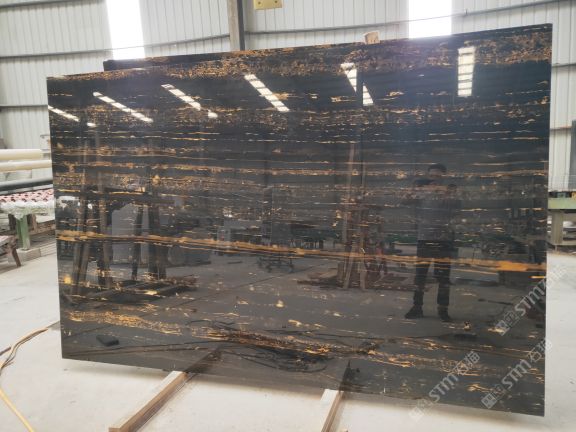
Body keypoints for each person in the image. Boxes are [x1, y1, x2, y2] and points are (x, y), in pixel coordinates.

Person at [404, 164, 460, 322]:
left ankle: (443, 310)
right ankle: (417, 307)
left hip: (444, 240)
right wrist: (413, 188)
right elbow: (404, 202)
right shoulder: (422, 193)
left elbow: (457, 207)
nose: (434, 179)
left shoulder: (450, 192)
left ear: (444, 177)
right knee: (420, 276)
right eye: (432, 176)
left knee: (443, 278)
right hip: (424, 238)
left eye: (438, 176)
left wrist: (446, 193)